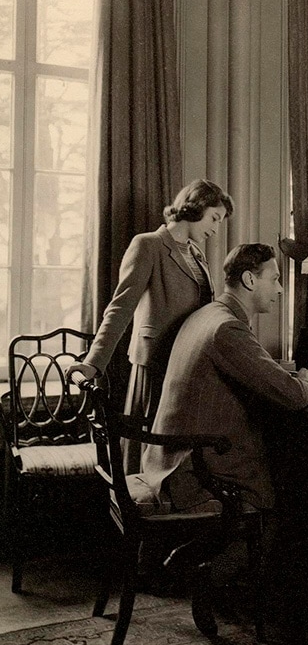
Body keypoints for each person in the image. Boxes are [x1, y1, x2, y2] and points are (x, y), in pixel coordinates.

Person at [141, 242, 308, 516]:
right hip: (193, 475)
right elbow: (294, 395)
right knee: (294, 492)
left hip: (169, 459)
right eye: (274, 279)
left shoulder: (207, 315)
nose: (280, 289)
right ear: (250, 280)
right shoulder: (227, 328)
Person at [69, 179, 234, 470]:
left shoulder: (196, 254)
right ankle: (137, 506)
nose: (216, 229)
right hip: (155, 362)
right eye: (214, 218)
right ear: (195, 208)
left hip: (185, 364)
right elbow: (120, 307)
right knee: (145, 446)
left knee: (175, 449)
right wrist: (93, 364)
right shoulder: (148, 245)